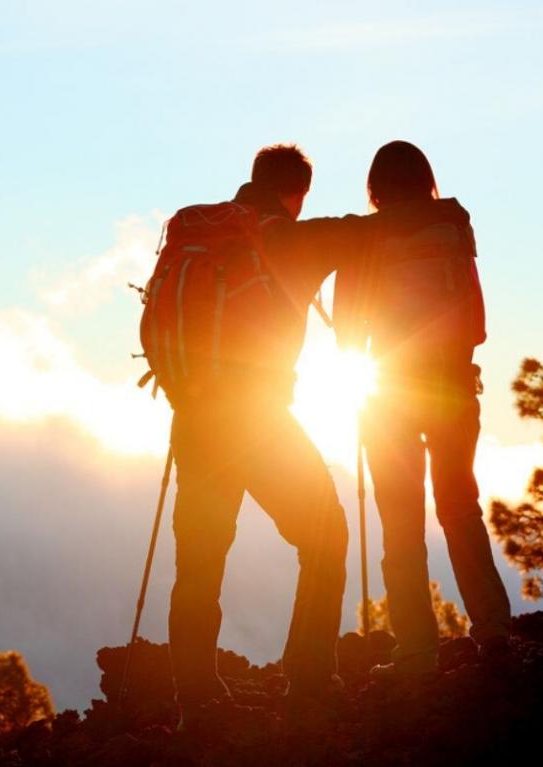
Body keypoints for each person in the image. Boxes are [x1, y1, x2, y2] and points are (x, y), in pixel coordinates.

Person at [161, 145, 361, 722]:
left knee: (198, 562)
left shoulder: (198, 231)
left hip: (193, 417)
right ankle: (309, 681)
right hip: (257, 421)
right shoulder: (292, 238)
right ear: (296, 194)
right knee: (326, 533)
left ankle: (193, 702)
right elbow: (366, 234)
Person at [334, 140, 512, 676]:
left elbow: (345, 333)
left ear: (375, 188)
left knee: (401, 521)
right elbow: (477, 322)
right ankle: (495, 632)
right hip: (454, 388)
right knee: (460, 507)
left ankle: (416, 652)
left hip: (389, 396)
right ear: (425, 179)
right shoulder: (454, 227)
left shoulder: (365, 236)